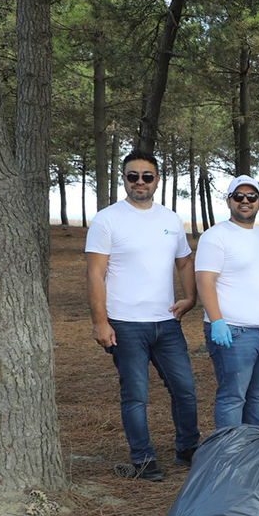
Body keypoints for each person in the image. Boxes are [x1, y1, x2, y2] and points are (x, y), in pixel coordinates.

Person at [85, 150, 199, 482]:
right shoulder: (107, 219)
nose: (139, 182)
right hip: (125, 324)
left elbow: (184, 262)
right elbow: (95, 273)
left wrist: (190, 297)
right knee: (135, 395)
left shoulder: (170, 219)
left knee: (185, 389)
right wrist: (100, 321)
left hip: (166, 322)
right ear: (124, 179)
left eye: (146, 176)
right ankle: (143, 459)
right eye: (132, 176)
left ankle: (188, 449)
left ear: (157, 180)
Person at [195, 175, 259, 431]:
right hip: (233, 332)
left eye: (251, 196)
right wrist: (217, 322)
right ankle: (228, 451)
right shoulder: (216, 236)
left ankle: (250, 448)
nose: (245, 201)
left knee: (256, 397)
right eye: (239, 196)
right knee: (233, 397)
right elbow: (205, 281)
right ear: (229, 201)